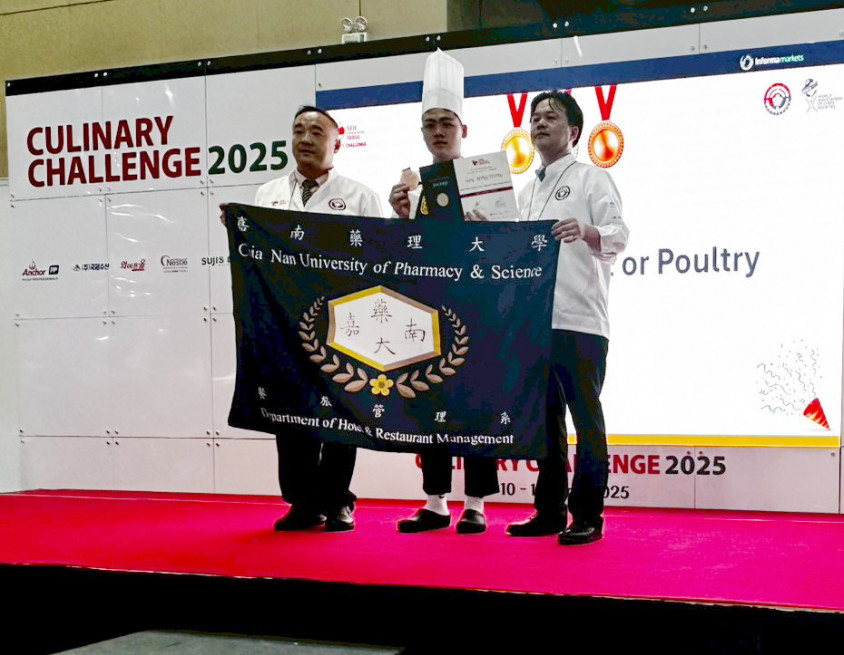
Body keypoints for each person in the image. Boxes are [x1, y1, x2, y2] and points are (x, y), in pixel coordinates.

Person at [222, 105, 383, 532]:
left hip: (342, 322)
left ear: (337, 142)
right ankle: (303, 502)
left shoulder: (361, 197)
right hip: (283, 323)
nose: (305, 139)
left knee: (341, 412)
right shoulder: (267, 194)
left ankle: (337, 500)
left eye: (316, 131)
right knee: (291, 413)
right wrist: (237, 227)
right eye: (298, 131)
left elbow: (379, 261)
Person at [506, 90, 628, 545]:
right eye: (535, 117)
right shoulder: (526, 192)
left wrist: (587, 230)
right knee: (544, 423)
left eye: (550, 117)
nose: (539, 123)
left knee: (586, 420)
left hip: (580, 321)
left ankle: (589, 514)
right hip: (535, 323)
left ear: (573, 131)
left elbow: (620, 234)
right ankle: (550, 511)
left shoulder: (592, 178)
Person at [388, 50, 499, 534]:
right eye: (430, 124)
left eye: (447, 123)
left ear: (463, 129)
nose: (439, 131)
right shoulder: (411, 189)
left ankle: (476, 504)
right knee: (427, 400)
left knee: (475, 406)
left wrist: (488, 230)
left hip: (477, 310)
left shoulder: (487, 180)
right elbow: (403, 256)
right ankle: (434, 502)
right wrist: (400, 219)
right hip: (426, 311)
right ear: (422, 132)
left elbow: (509, 249)